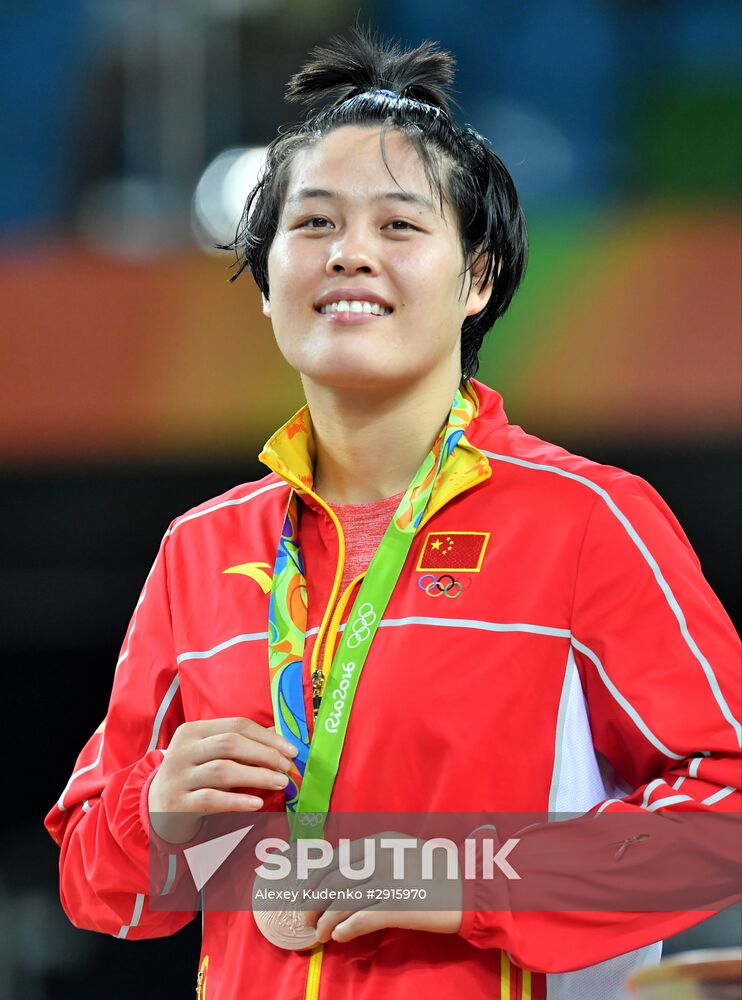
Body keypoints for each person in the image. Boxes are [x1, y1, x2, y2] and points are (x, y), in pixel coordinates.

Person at [45, 27, 741, 1000]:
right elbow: (95, 876)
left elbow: (725, 813)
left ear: (479, 278)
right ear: (266, 278)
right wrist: (155, 817)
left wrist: (463, 878)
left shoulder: (585, 519)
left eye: (400, 226)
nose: (351, 255)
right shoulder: (202, 549)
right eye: (314, 224)